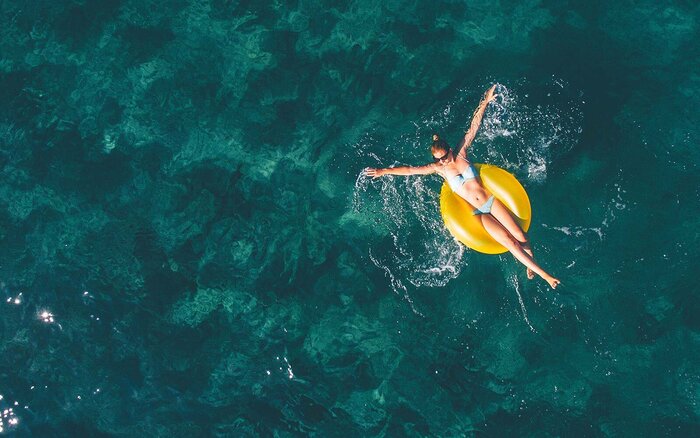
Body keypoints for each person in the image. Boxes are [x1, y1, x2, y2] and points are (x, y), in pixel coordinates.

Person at [365, 85, 560, 289]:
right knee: (510, 243)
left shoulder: (461, 154)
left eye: (444, 157)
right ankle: (545, 275)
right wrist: (383, 171)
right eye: (438, 159)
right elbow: (409, 170)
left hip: (490, 201)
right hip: (478, 213)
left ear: (450, 150)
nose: (442, 161)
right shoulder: (438, 168)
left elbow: (474, 126)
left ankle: (531, 262)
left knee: (521, 236)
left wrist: (485, 101)